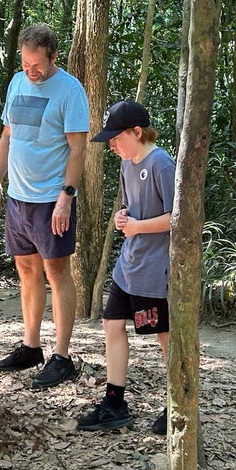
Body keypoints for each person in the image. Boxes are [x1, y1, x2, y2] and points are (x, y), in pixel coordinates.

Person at [0, 23, 89, 388]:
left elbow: (78, 147)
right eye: (26, 64)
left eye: (38, 66)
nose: (31, 72)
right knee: (26, 270)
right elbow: (8, 135)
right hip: (19, 198)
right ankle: (31, 346)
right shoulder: (17, 82)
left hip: (51, 200)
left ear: (53, 56)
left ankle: (62, 356)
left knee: (56, 272)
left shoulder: (69, 90)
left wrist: (67, 195)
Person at [77, 100, 175, 433]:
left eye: (116, 138)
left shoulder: (161, 163)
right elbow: (129, 208)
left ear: (137, 132)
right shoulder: (127, 163)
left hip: (155, 269)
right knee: (112, 326)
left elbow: (179, 217)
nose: (112, 145)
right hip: (128, 264)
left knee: (165, 336)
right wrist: (122, 217)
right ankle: (114, 402)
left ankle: (177, 404)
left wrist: (137, 226)